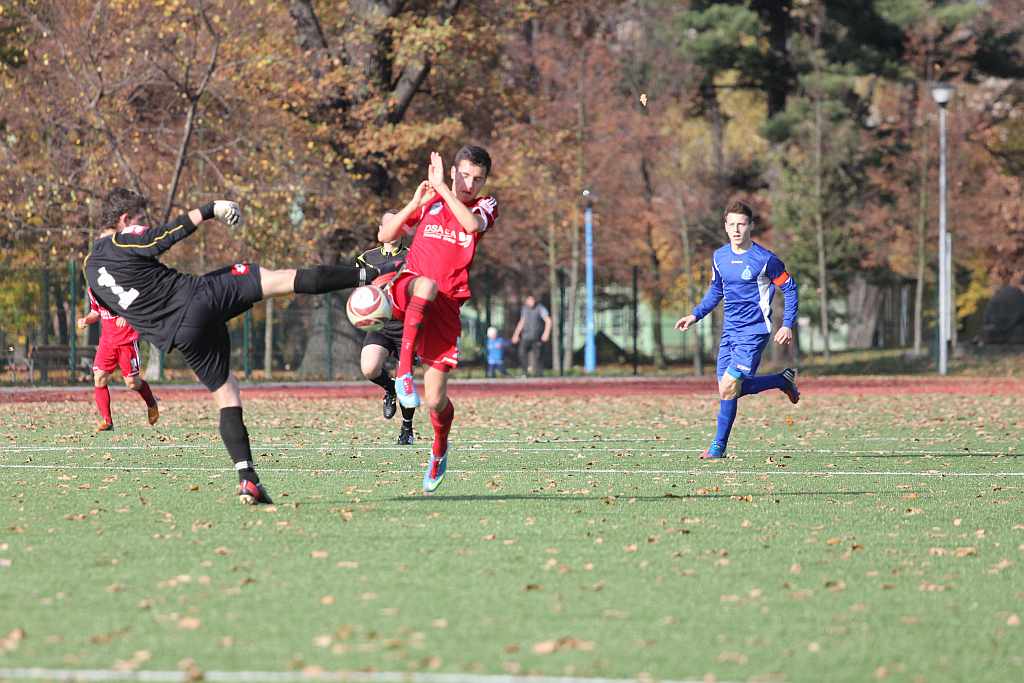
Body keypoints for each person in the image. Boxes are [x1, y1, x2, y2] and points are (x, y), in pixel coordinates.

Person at [84, 188, 397, 504]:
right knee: (279, 280)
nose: (143, 225)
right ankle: (370, 273)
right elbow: (161, 238)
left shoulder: (89, 270)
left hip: (179, 336)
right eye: (139, 220)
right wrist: (210, 209)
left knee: (226, 392)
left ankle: (247, 478)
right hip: (198, 297)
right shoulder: (120, 240)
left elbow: (116, 310)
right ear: (124, 220)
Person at [377, 145, 498, 493]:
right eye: (463, 175)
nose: (469, 183)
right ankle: (402, 373)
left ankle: (440, 447)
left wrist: (443, 188)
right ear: (454, 171)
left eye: (477, 178)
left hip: (447, 307)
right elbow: (386, 236)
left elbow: (472, 224)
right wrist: (415, 203)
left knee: (435, 400)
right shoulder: (430, 200)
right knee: (425, 285)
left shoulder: (485, 205)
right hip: (410, 286)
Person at [674, 200, 800, 459]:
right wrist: (695, 315)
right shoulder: (719, 257)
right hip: (729, 332)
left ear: (750, 226)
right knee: (730, 388)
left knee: (729, 386)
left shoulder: (766, 260)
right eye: (731, 224)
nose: (736, 229)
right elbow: (716, 291)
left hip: (754, 332)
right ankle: (781, 379)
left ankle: (718, 447)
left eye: (741, 224)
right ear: (725, 226)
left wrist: (787, 324)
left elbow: (790, 288)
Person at [354, 237, 415, 445]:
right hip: (380, 325)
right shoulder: (367, 258)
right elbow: (359, 288)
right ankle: (389, 389)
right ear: (381, 231)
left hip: (408, 327)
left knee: (405, 381)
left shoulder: (414, 254)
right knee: (369, 368)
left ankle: (407, 429)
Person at [77, 288, 159, 432]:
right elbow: (96, 312)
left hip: (127, 341)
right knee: (99, 378)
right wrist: (86, 320)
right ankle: (107, 421)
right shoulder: (93, 289)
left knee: (132, 383)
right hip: (107, 343)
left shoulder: (120, 284)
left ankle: (151, 403)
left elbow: (140, 304)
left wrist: (126, 315)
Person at [511, 294, 552, 377]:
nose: (531, 302)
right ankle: (524, 372)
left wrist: (546, 333)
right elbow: (522, 322)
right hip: (526, 336)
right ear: (526, 301)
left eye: (532, 300)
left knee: (538, 355)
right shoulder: (524, 309)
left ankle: (539, 373)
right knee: (521, 353)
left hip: (537, 336)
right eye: (529, 300)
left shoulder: (540, 308)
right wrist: (516, 334)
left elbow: (548, 321)